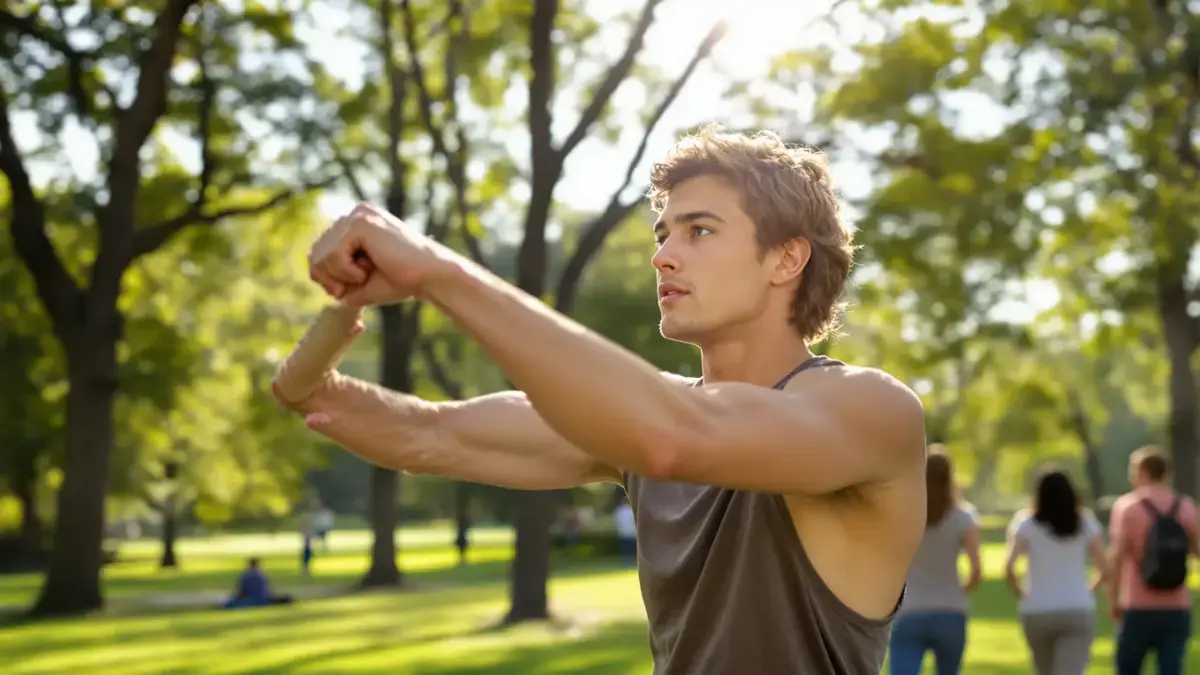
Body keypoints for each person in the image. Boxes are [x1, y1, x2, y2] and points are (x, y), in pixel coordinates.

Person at [272, 126, 928, 673]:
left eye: (698, 231)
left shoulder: (869, 411)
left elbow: (673, 438)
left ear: (785, 259)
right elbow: (430, 434)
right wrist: (326, 344)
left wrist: (435, 273)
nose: (663, 256)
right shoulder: (640, 420)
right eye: (662, 233)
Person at [888, 447, 982, 675]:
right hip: (950, 611)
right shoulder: (963, 517)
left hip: (909, 611)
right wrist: (961, 591)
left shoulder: (904, 513)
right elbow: (976, 569)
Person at [1004, 470, 1107, 675]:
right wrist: (1088, 590)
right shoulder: (1084, 523)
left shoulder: (1026, 524)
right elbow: (1104, 568)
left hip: (1037, 609)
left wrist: (1022, 593)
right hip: (1076, 608)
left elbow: (1009, 568)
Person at [1108, 446, 1199, 675]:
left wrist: (1113, 599)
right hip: (1177, 605)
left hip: (1136, 604)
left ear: (1143, 472)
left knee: (1127, 669)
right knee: (1171, 669)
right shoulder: (1186, 506)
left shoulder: (1127, 507)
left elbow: (1117, 558)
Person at [223, 557, 293, 608]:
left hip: (250, 599)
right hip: (263, 599)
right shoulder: (262, 575)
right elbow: (266, 590)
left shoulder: (244, 576)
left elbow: (242, 592)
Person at [613, 498, 636, 566]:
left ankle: (625, 561)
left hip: (623, 531)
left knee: (625, 547)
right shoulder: (630, 510)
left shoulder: (618, 510)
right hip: (631, 531)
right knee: (630, 547)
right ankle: (629, 560)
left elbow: (616, 521)